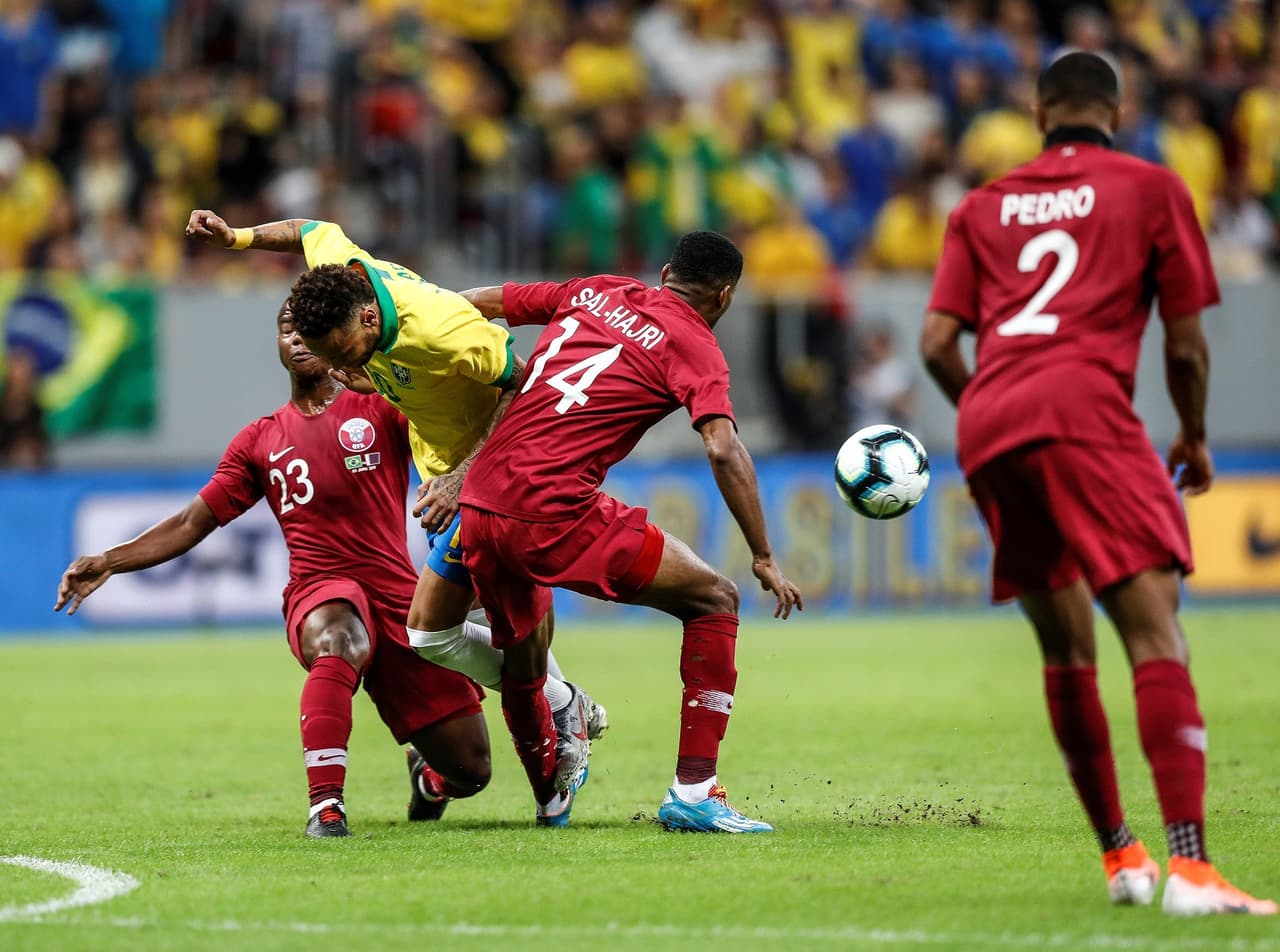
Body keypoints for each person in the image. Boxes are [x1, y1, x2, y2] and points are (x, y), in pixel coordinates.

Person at [920, 52, 1275, 917]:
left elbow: (936, 343)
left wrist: (997, 415)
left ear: (1039, 114)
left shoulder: (980, 206)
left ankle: (1122, 857)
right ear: (1119, 111)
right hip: (1085, 412)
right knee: (1156, 633)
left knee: (1065, 649)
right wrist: (1191, 433)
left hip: (993, 419)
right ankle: (1192, 869)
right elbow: (1186, 347)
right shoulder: (1151, 189)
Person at [183, 211, 605, 791]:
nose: (343, 369)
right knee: (458, 632)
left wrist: (464, 476)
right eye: (332, 358)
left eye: (347, 353)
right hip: (441, 474)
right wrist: (239, 238)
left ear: (367, 316)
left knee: (486, 623)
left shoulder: (439, 331)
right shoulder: (342, 281)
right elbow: (311, 229)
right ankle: (561, 705)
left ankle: (559, 714)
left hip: (492, 473)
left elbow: (521, 380)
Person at [55, 302, 494, 838]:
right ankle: (325, 806)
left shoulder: (382, 409)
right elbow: (193, 521)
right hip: (320, 589)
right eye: (288, 330)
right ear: (279, 345)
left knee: (472, 771)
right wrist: (109, 560)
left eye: (309, 328)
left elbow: (455, 430)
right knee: (338, 639)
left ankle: (428, 777)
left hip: (399, 596)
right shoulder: (260, 441)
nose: (299, 339)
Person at [456, 231, 803, 831]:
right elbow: (723, 448)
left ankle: (549, 800)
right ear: (724, 296)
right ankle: (695, 791)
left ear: (666, 270)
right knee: (714, 600)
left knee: (523, 660)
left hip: (480, 505)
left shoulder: (597, 289)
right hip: (551, 511)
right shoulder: (695, 343)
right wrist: (765, 554)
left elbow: (473, 304)